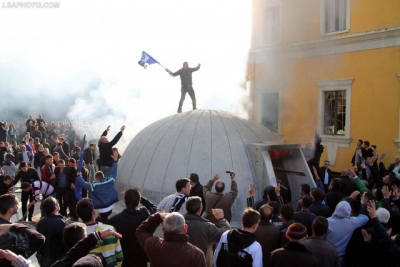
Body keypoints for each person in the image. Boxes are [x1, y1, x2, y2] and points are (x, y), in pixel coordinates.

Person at [136, 212, 207, 267]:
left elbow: (141, 231)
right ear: (185, 228)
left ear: (164, 229)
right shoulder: (197, 254)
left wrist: (157, 217)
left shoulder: (154, 246)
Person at [108, 188, 157, 267]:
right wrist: (141, 198)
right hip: (140, 261)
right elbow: (153, 207)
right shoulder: (145, 216)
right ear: (138, 201)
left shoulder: (114, 221)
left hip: (123, 261)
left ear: (124, 201)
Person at [76, 198, 123, 267]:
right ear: (93, 212)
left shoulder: (79, 235)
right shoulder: (110, 229)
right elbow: (119, 256)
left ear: (78, 215)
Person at [184, 197, 230, 267]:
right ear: (200, 210)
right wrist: (221, 219)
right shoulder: (207, 227)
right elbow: (225, 234)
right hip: (202, 263)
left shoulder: (178, 222)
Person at [325, 200, 369, 265]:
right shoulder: (351, 222)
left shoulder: (326, 221)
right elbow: (365, 218)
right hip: (340, 257)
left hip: (327, 255)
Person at [75, 159, 119, 223]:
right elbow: (114, 172)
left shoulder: (95, 186)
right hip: (111, 206)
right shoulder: (110, 181)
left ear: (97, 178)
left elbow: (84, 184)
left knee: (102, 220)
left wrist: (79, 176)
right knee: (101, 219)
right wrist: (115, 161)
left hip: (102, 209)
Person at [36, 197, 67, 267]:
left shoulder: (41, 221)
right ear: (56, 206)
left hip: (43, 258)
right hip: (57, 259)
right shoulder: (60, 222)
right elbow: (65, 242)